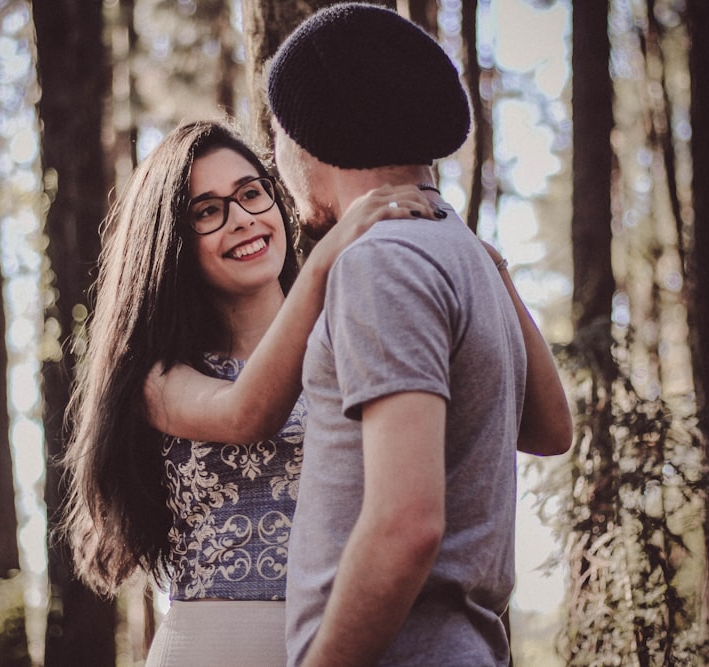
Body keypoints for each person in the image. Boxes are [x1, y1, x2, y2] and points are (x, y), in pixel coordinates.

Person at [61, 119, 443, 665]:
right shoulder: (157, 378)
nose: (242, 219)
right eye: (208, 211)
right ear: (172, 243)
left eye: (251, 193)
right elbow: (246, 414)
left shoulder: (348, 338)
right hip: (214, 648)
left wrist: (484, 265)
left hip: (351, 642)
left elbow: (546, 430)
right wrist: (325, 260)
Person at [265, 3, 572, 665]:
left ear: (316, 135)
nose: (275, 155)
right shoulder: (469, 256)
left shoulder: (383, 260)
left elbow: (407, 525)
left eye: (280, 132)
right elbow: (553, 429)